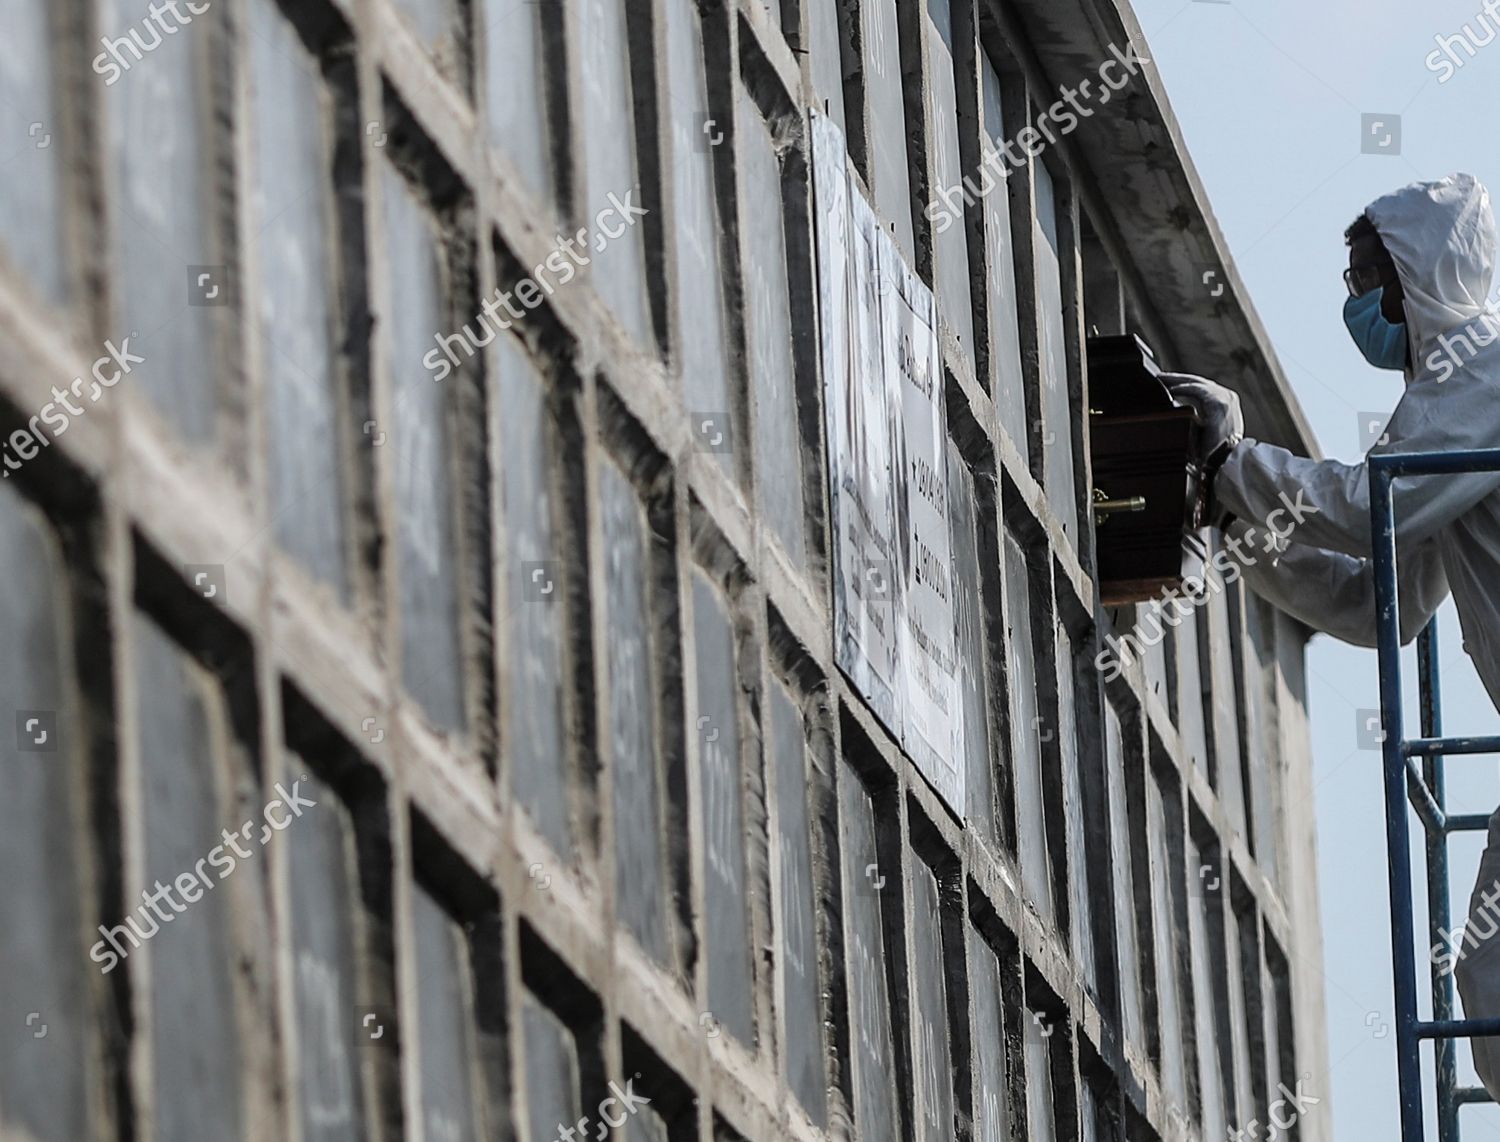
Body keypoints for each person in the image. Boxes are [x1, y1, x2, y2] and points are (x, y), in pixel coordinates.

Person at [1163, 172, 1500, 1098]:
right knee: (1489, 986)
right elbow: (1372, 605)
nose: (1353, 306)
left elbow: (1365, 510)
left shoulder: (1483, 373)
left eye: (1364, 279)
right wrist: (1235, 524)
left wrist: (1233, 462)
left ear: (1415, 272)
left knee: (1494, 987)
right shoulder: (1446, 421)